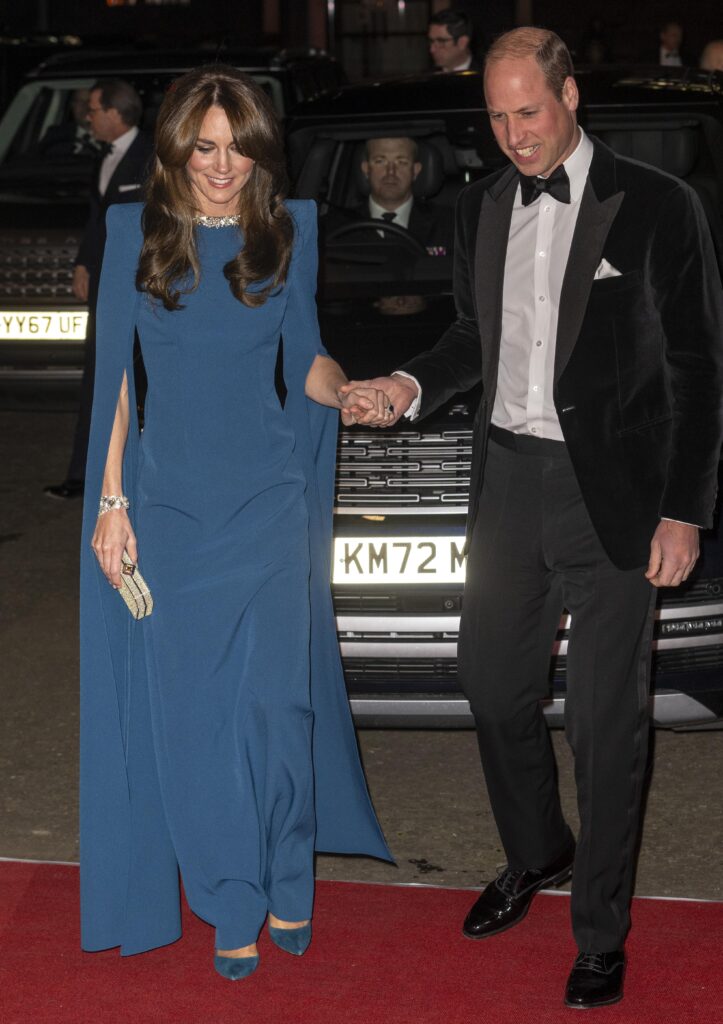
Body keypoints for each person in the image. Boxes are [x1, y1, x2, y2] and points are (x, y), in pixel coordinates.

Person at [341, 26, 723, 1009]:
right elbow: (472, 339)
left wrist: (684, 511)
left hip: (616, 501)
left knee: (605, 727)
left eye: (529, 112)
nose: (513, 135)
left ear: (570, 97)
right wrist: (404, 384)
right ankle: (537, 851)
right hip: (508, 483)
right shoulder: (479, 209)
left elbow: (697, 371)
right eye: (498, 116)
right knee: (491, 682)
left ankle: (600, 928)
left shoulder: (658, 206)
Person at [79, 65, 392, 981]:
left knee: (272, 709)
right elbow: (117, 386)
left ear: (261, 148)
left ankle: (287, 868)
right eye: (205, 147)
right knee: (193, 719)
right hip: (171, 509)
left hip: (269, 502)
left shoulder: (287, 228)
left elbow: (305, 361)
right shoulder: (131, 229)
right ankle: (230, 892)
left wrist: (351, 391)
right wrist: (110, 503)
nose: (223, 166)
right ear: (177, 148)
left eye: (239, 146)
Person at [44, 79, 153, 500]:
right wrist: (83, 263)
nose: (87, 118)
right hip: (105, 286)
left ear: (115, 112)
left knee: (139, 381)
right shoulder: (103, 156)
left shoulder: (152, 158)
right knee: (97, 376)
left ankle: (135, 477)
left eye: (93, 109)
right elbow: (97, 219)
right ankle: (83, 476)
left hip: (143, 289)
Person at [323, 136, 454, 255]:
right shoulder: (331, 228)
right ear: (366, 169)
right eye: (380, 161)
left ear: (415, 170)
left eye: (401, 162)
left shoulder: (450, 225)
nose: (391, 172)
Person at [428, 8, 480, 73]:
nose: (432, 49)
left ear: (462, 43)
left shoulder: (484, 76)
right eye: (431, 41)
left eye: (441, 41)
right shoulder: (426, 77)